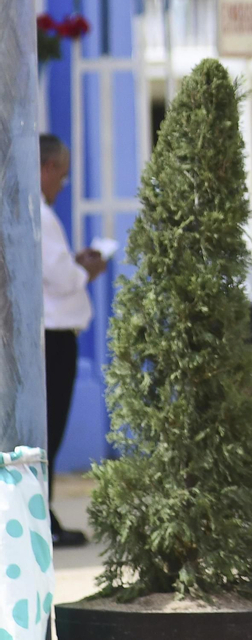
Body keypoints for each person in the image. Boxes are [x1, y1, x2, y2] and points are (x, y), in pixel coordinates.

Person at [38, 133, 101, 549]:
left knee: (47, 436)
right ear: (45, 167)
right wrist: (85, 271)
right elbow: (60, 278)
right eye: (61, 173)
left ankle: (45, 514)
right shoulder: (37, 213)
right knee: (47, 435)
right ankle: (42, 519)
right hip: (52, 340)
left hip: (53, 337)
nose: (63, 183)